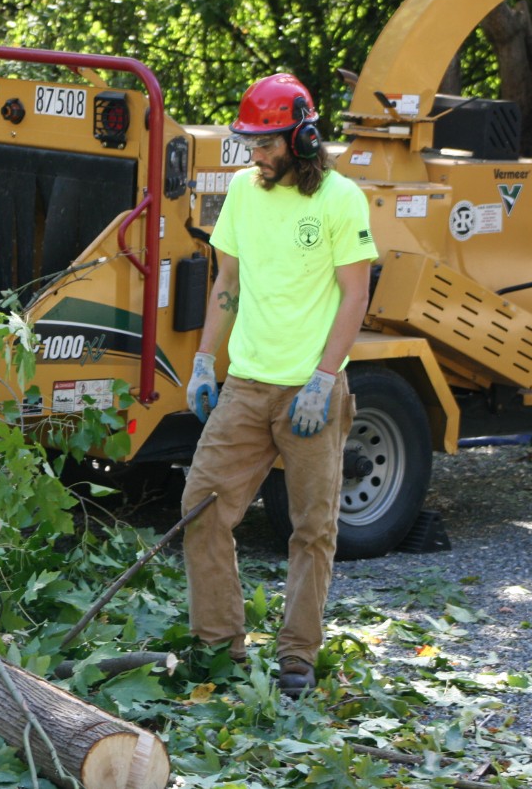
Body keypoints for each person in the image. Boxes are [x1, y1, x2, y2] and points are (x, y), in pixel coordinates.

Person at [180, 74, 378, 697]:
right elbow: (227, 283)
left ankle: (297, 657)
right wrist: (205, 361)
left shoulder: (341, 200)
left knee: (312, 527)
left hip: (310, 393)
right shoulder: (243, 190)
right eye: (248, 143)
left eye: (265, 143)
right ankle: (221, 650)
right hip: (245, 385)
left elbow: (356, 293)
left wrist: (325, 379)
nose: (254, 155)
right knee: (202, 510)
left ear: (303, 136)